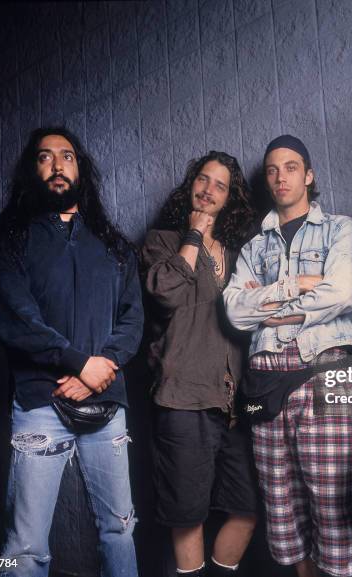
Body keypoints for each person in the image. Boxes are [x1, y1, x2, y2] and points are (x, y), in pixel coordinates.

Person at [0, 127, 143, 577]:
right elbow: (16, 321)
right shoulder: (10, 242)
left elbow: (132, 321)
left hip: (106, 404)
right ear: (32, 170)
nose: (56, 164)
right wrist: (80, 364)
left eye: (67, 156)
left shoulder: (114, 246)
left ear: (80, 169)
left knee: (119, 529)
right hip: (39, 403)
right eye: (45, 157)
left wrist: (101, 367)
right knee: (26, 546)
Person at [223, 135, 352, 577]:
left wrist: (269, 312)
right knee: (280, 500)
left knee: (332, 497)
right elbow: (233, 311)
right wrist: (296, 286)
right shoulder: (252, 248)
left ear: (308, 175)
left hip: (321, 372)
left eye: (290, 167)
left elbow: (340, 293)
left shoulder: (340, 229)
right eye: (272, 169)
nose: (280, 176)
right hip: (264, 377)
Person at [142, 151, 258, 577]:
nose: (209, 191)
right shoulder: (163, 241)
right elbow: (167, 292)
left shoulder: (236, 252)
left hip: (234, 404)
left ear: (230, 198)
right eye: (203, 180)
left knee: (247, 508)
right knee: (187, 515)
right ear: (190, 184)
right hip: (183, 397)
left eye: (220, 186)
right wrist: (193, 235)